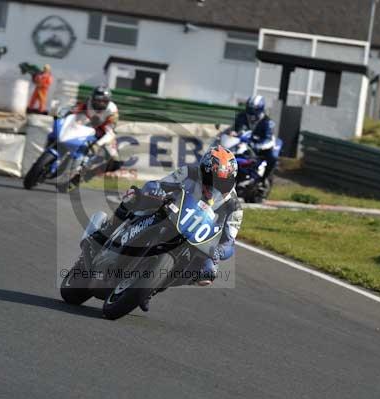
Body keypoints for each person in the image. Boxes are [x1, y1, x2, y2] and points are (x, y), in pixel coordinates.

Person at [89, 146, 242, 311]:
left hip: (196, 238)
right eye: (212, 179)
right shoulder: (188, 172)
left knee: (205, 271)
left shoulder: (235, 206)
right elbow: (159, 184)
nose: (216, 185)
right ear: (202, 172)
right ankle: (105, 232)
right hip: (170, 212)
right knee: (133, 196)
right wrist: (157, 191)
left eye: (223, 182)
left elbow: (229, 241)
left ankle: (150, 288)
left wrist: (217, 252)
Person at [70, 85, 122, 173]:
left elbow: (110, 133)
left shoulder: (112, 111)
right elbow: (73, 112)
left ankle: (90, 170)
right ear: (93, 98)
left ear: (108, 101)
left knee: (115, 160)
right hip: (86, 126)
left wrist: (98, 144)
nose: (100, 103)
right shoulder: (87, 102)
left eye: (104, 101)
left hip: (103, 131)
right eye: (98, 100)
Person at [232, 95, 278, 183]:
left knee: (273, 157)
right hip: (241, 145)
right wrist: (231, 133)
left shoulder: (268, 122)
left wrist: (257, 145)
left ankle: (263, 180)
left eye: (253, 109)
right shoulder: (241, 117)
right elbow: (234, 129)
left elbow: (269, 140)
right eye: (249, 109)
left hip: (258, 148)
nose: (250, 112)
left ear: (260, 109)